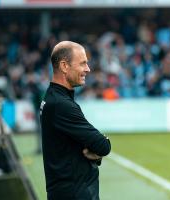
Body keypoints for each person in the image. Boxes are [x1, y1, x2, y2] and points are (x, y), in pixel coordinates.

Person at [40, 41, 111, 200]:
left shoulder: (54, 97)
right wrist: (99, 147)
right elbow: (103, 145)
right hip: (75, 193)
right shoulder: (61, 105)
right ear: (64, 66)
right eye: (83, 63)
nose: (88, 69)